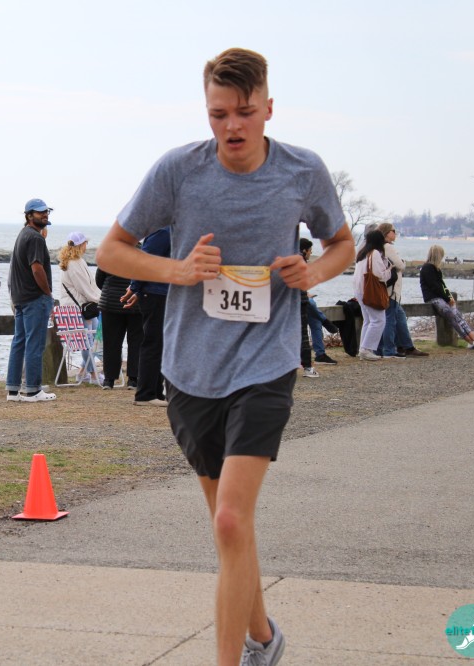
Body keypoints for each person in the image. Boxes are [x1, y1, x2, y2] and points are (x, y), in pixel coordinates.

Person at [96, 48, 354, 666]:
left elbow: (342, 243)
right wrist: (179, 270)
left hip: (266, 361)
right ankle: (264, 637)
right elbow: (111, 251)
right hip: (191, 368)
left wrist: (314, 272)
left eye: (244, 112)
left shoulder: (302, 170)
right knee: (228, 527)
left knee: (232, 521)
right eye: (218, 115)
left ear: (268, 107)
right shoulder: (178, 171)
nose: (232, 127)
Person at [5, 199, 56, 402]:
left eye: (46, 211)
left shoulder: (23, 234)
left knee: (19, 342)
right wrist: (48, 293)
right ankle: (34, 390)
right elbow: (36, 268)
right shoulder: (35, 238)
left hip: (20, 298)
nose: (45, 214)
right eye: (40, 212)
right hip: (34, 298)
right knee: (35, 343)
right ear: (29, 215)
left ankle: (13, 390)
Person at [126, 228, 170, 406]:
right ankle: (145, 394)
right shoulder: (164, 231)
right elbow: (143, 261)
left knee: (160, 344)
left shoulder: (169, 230)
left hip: (161, 292)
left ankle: (156, 391)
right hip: (155, 293)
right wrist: (135, 288)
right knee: (153, 342)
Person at [419, 245, 474, 350]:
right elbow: (435, 286)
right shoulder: (427, 268)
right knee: (452, 316)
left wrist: (449, 297)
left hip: (440, 298)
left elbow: (442, 285)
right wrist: (447, 298)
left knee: (457, 315)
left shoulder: (436, 269)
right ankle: (471, 340)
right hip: (433, 298)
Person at [376, 223, 428, 358]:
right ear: (387, 232)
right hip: (391, 291)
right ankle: (389, 350)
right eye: (393, 231)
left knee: (400, 318)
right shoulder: (388, 247)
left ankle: (406, 346)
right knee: (390, 320)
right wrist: (402, 262)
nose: (395, 233)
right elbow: (400, 265)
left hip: (388, 290)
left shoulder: (378, 247)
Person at [57, 231, 103, 384]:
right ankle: (94, 375)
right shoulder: (74, 264)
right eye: (85, 243)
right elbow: (85, 288)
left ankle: (82, 372)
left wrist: (98, 297)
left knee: (94, 340)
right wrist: (101, 299)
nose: (86, 246)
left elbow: (87, 286)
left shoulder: (75, 261)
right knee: (88, 342)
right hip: (78, 309)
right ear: (81, 245)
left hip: (78, 307)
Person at [96, 264, 142, 390]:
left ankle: (109, 379)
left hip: (110, 301)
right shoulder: (142, 254)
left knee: (111, 342)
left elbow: (99, 280)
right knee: (136, 341)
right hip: (136, 304)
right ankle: (133, 378)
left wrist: (110, 289)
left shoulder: (109, 255)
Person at [299, 238, 339, 366]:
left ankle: (320, 354)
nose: (311, 253)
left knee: (315, 319)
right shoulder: (298, 263)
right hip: (294, 303)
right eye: (310, 250)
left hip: (302, 299)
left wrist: (306, 293)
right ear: (304, 250)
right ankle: (325, 321)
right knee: (311, 303)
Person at [353, 230, 391, 361]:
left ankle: (363, 349)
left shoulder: (362, 253)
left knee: (368, 320)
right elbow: (380, 275)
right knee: (379, 320)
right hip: (369, 290)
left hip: (359, 289)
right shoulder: (374, 253)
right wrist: (389, 270)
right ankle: (366, 349)